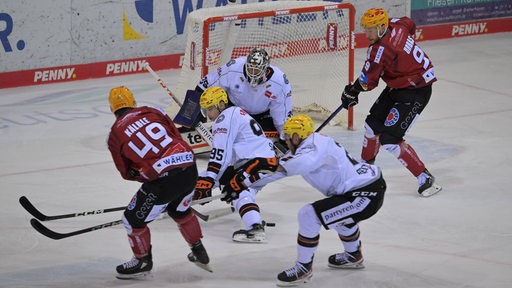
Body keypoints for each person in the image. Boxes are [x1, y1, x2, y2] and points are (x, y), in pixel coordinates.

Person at [238, 114, 386, 286]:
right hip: (363, 187)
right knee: (339, 216)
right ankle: (354, 256)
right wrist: (242, 184)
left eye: (287, 137)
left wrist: (261, 167)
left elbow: (290, 166)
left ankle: (303, 268)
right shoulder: (309, 144)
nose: (285, 141)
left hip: (365, 193)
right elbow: (278, 171)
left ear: (296, 136)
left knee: (309, 215)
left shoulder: (312, 150)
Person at [106, 86, 210, 279]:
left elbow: (126, 172)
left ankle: (142, 260)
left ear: (112, 109)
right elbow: (176, 136)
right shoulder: (153, 110)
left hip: (163, 180)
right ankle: (198, 250)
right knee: (180, 210)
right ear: (133, 102)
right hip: (189, 165)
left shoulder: (113, 135)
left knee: (131, 220)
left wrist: (148, 176)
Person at [341, 8, 441, 197]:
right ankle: (365, 171)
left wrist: (351, 92)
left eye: (370, 30)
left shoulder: (381, 50)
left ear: (381, 27)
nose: (367, 34)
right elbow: (409, 24)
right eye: (366, 29)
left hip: (416, 91)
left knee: (390, 139)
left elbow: (367, 82)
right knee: (372, 126)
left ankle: (425, 177)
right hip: (400, 84)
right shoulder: (396, 23)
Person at [192, 86, 278, 243]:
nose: (208, 114)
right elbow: (229, 156)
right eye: (205, 110)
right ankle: (176, 201)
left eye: (210, 109)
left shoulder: (224, 119)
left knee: (237, 190)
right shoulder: (234, 113)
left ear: (222, 105)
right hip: (259, 162)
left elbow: (220, 155)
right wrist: (211, 179)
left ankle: (255, 229)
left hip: (257, 163)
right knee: (229, 185)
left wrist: (210, 179)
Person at [195, 47, 292, 145]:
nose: (253, 73)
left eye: (257, 70)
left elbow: (282, 114)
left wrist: (284, 139)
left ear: (266, 68)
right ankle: (220, 128)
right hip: (234, 111)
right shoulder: (234, 67)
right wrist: (192, 113)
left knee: (263, 138)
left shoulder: (279, 82)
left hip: (262, 116)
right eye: (250, 68)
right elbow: (204, 84)